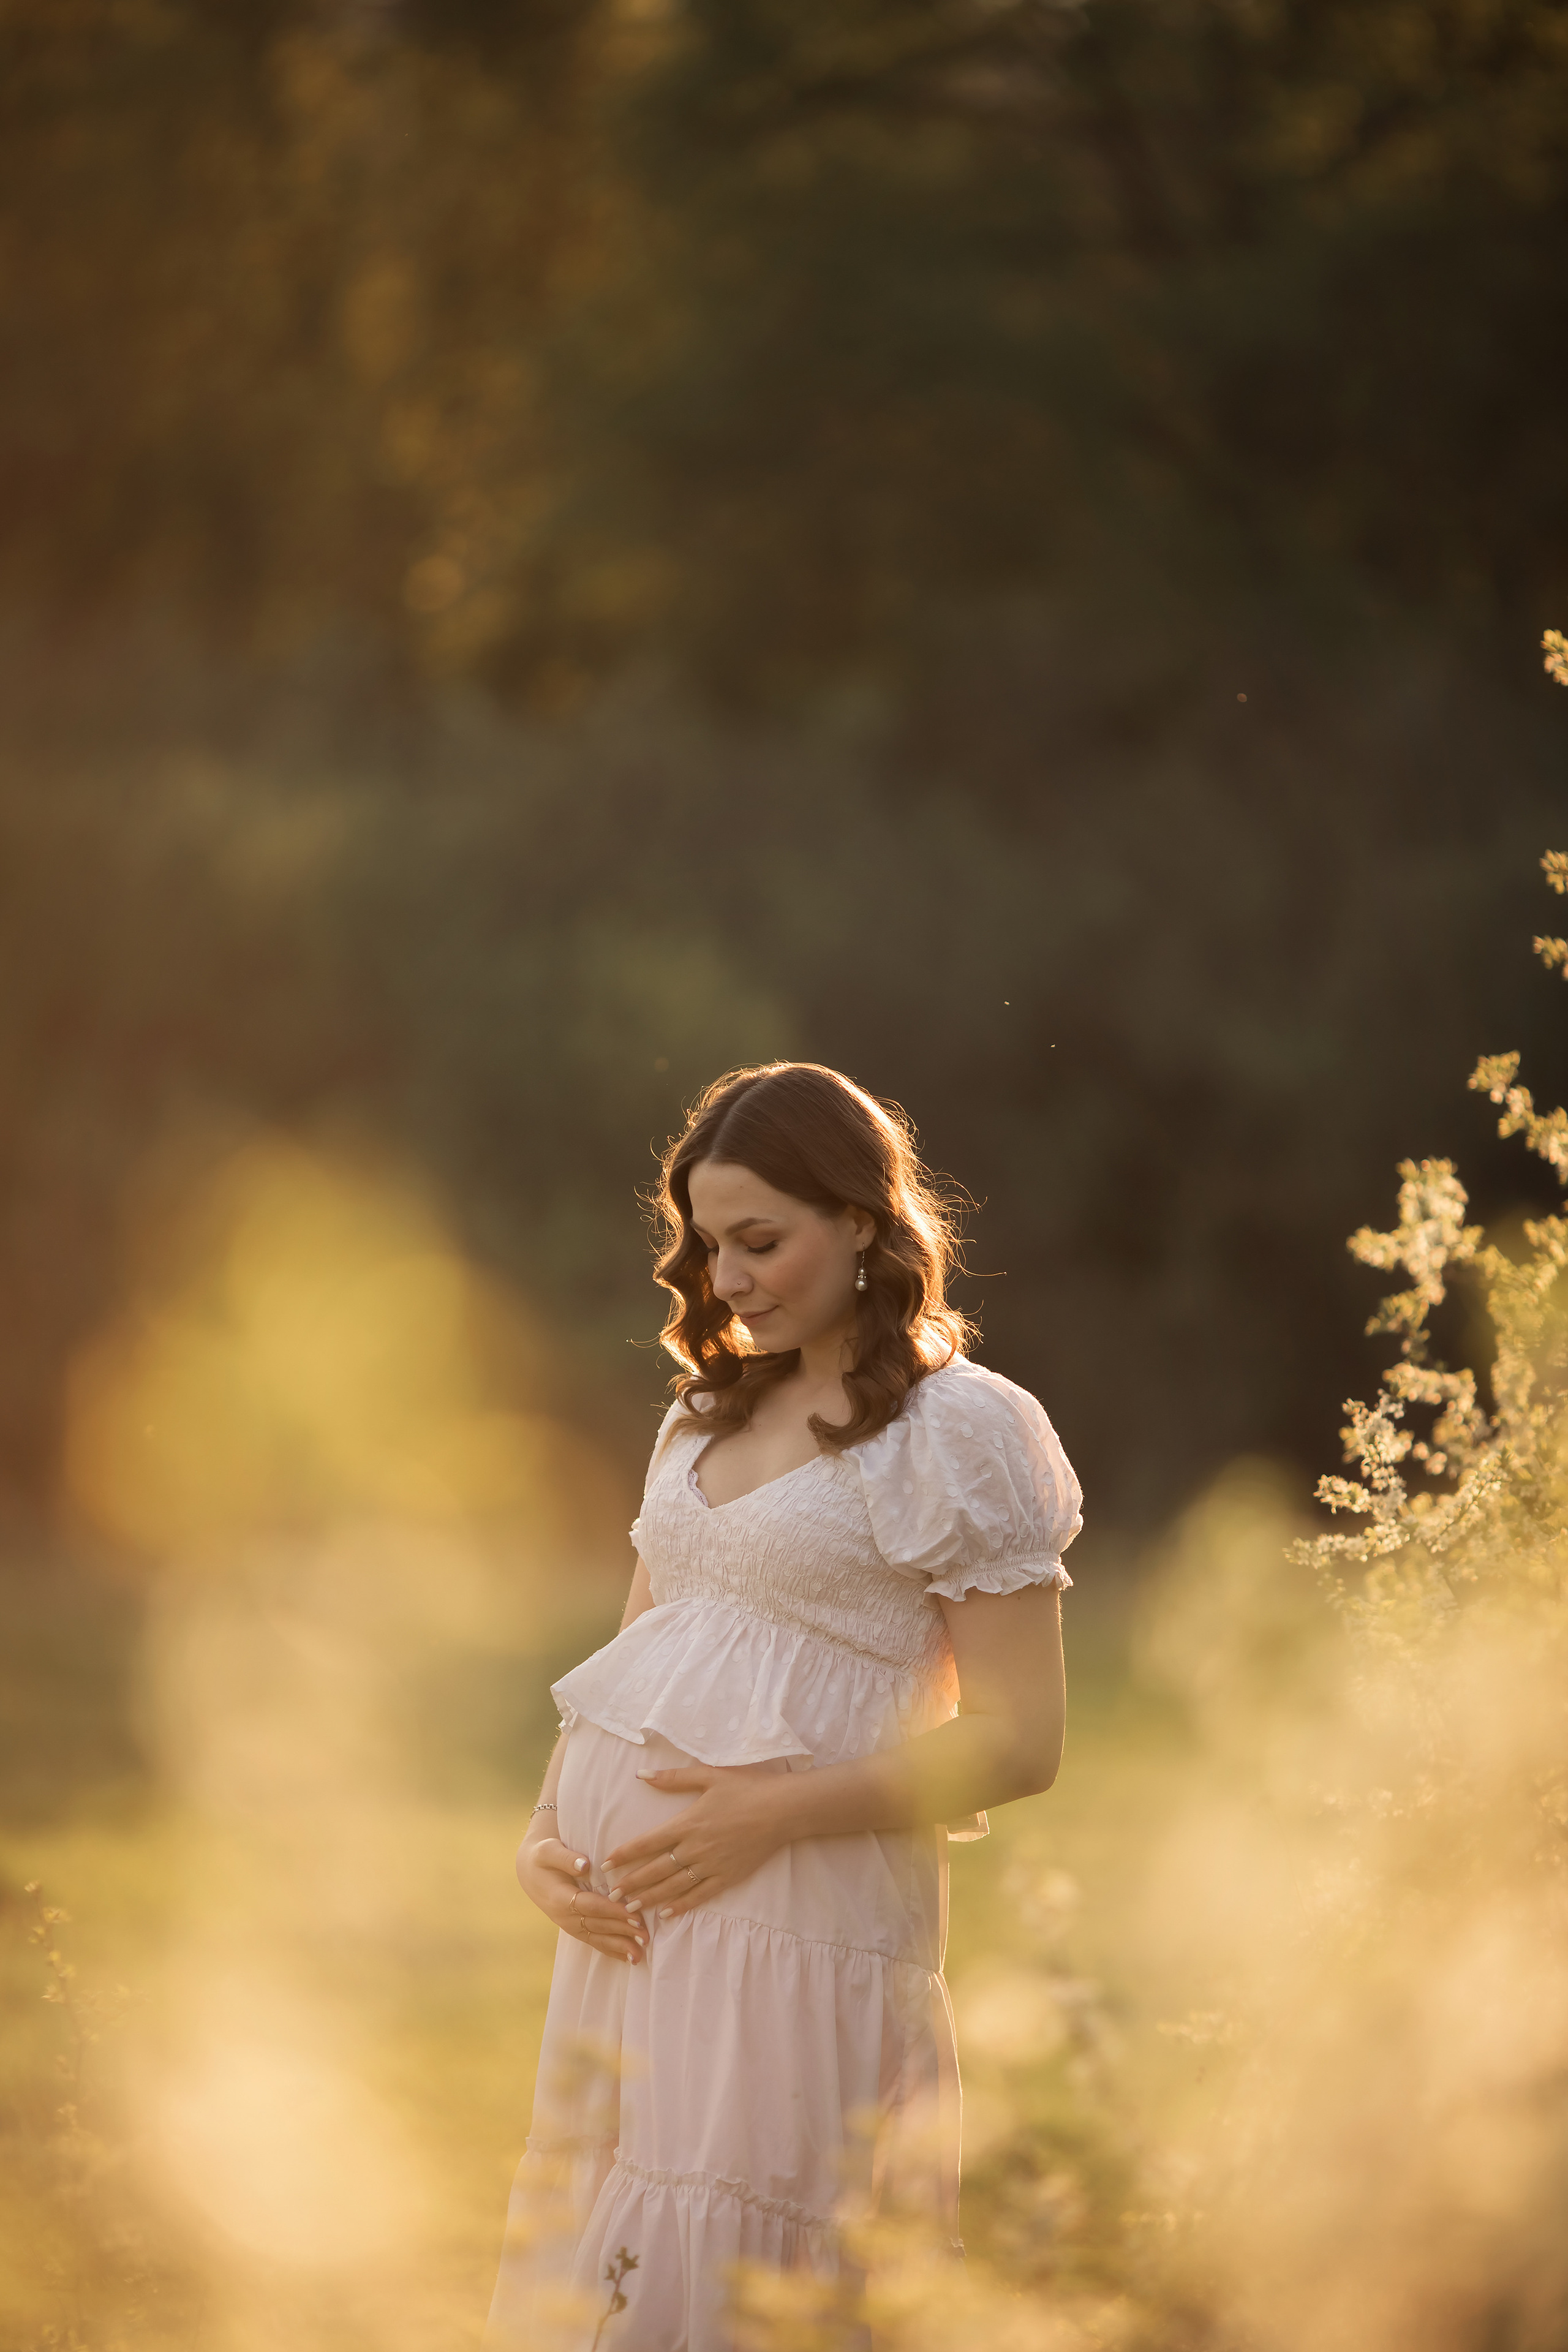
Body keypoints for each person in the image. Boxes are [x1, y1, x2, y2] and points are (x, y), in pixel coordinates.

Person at [485, 1062, 1080, 2352]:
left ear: (862, 1222)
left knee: (766, 2250)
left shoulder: (956, 1430)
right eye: (708, 1246)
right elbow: (642, 1646)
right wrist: (545, 1836)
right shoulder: (701, 1414)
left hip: (797, 1921)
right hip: (630, 1924)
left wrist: (768, 1817)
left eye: (760, 1241)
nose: (729, 1277)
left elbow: (1021, 1743)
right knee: (624, 2247)